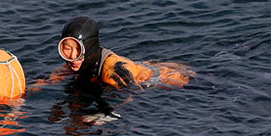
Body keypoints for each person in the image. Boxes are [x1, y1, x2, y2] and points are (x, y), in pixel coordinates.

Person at [50, 16, 194, 88]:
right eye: (67, 49)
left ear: (89, 47)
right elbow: (48, 80)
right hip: (145, 69)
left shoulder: (113, 71)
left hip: (178, 79)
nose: (73, 56)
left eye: (78, 49)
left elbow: (132, 100)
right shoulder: (77, 64)